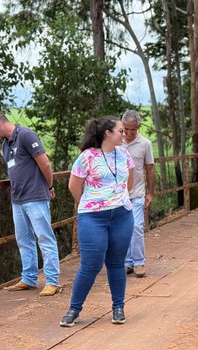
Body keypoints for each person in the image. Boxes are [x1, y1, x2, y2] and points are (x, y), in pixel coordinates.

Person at [60, 116, 135, 327]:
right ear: (107, 134)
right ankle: (74, 308)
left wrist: (118, 199)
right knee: (91, 263)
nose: (124, 134)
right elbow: (74, 186)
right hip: (93, 217)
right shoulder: (87, 157)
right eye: (120, 130)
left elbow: (129, 181)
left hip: (121, 215)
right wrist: (88, 203)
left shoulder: (124, 154)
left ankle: (118, 308)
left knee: (116, 262)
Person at [0, 109, 60, 297]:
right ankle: (29, 278)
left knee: (44, 237)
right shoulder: (5, 145)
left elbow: (45, 164)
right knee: (24, 240)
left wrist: (49, 186)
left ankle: (52, 281)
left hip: (35, 196)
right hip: (17, 198)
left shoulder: (25, 135)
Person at [121, 110, 155, 278]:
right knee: (122, 229)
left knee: (136, 227)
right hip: (119, 195)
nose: (128, 133)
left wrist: (150, 193)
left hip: (137, 192)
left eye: (132, 130)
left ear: (138, 128)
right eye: (125, 129)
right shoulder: (117, 143)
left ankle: (139, 261)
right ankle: (127, 262)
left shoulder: (145, 144)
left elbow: (150, 168)